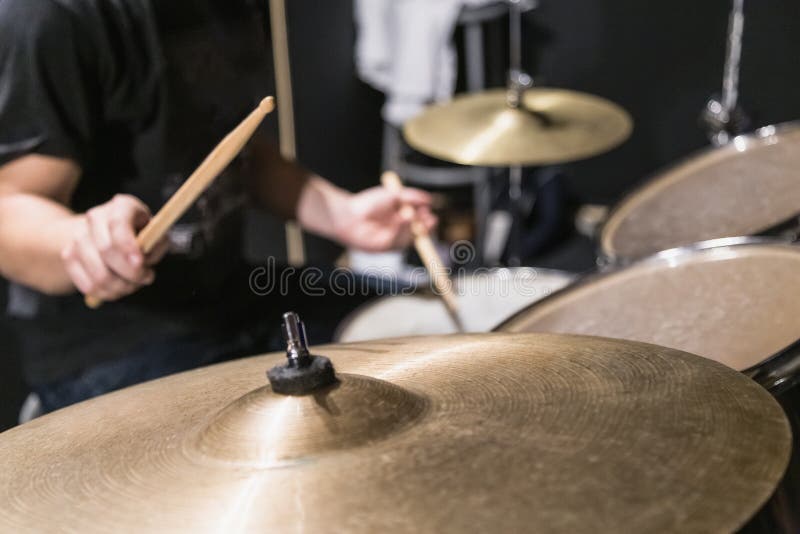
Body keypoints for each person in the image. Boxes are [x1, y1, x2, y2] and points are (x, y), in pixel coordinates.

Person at [0, 0, 435, 414]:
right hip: (113, 346)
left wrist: (341, 214)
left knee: (431, 346)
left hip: (232, 296)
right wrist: (86, 243)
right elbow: (12, 205)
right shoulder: (51, 15)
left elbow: (229, 146)